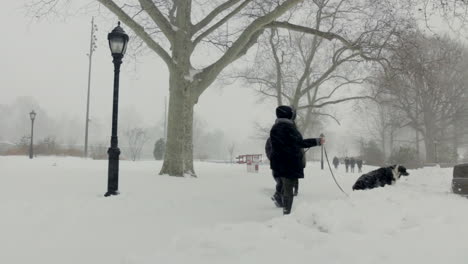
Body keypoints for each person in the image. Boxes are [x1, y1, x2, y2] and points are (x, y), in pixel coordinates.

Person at [269, 105, 324, 215]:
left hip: (279, 164)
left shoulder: (275, 128)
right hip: (289, 164)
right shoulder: (289, 128)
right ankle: (286, 213)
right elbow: (300, 143)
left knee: (284, 185)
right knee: (289, 188)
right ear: (288, 114)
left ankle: (280, 201)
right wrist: (317, 141)